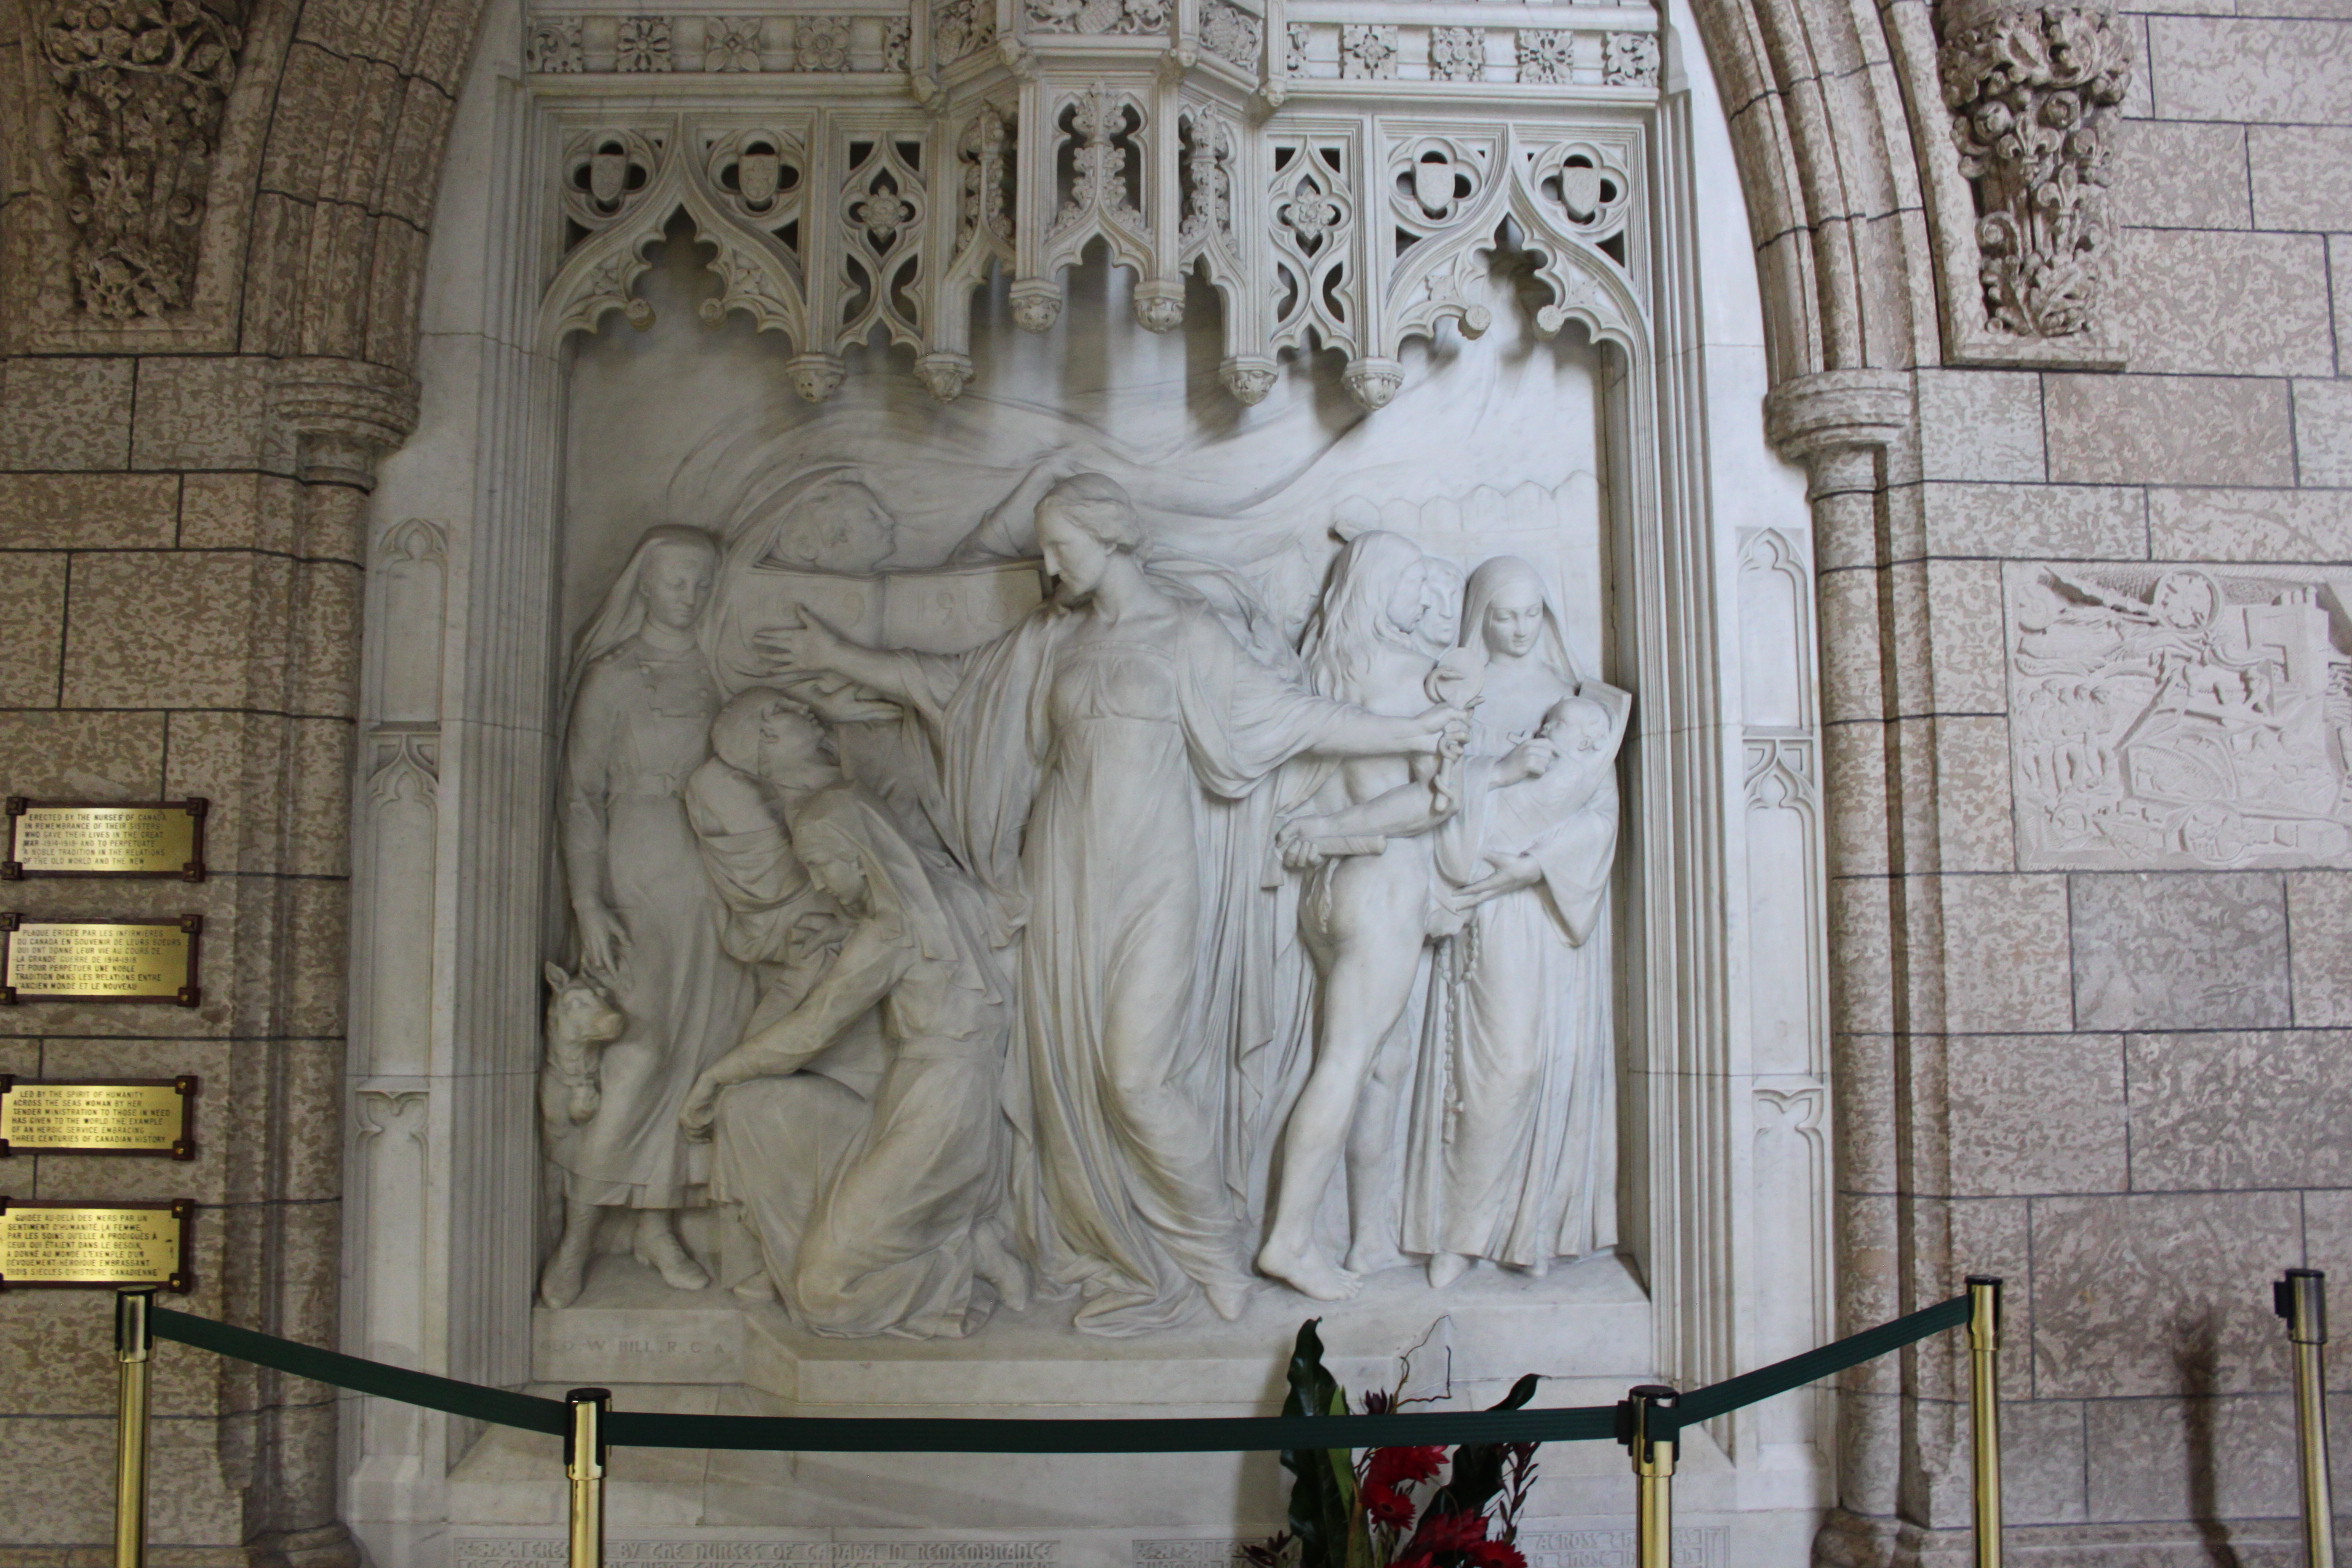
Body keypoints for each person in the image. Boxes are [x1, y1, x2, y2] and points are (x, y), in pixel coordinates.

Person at [759, 472, 1462, 1333]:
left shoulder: (1186, 633)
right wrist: (839, 657)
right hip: (1066, 875)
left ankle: (1214, 1248)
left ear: (1111, 536)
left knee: (1137, 1078)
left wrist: (1410, 731)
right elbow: (953, 688)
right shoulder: (1052, 639)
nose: (1051, 567)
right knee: (1074, 1079)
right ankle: (1113, 1245)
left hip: (1155, 878)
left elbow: (1291, 718)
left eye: (1062, 547)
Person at [680, 784, 1026, 1338]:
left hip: (940, 1121)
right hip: (913, 1100)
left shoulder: (893, 928)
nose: (819, 884)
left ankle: (960, 1262)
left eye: (821, 866)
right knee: (752, 1106)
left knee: (825, 1296)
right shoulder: (950, 895)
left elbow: (811, 1030)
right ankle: (936, 1244)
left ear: (861, 856)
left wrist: (714, 1074)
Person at [542, 526, 757, 1307]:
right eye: (675, 580)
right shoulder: (613, 675)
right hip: (635, 865)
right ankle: (577, 1234)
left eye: (701, 582)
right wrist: (588, 900)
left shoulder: (718, 669)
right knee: (637, 1054)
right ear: (645, 584)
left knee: (698, 1054)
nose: (689, 595)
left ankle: (657, 1226)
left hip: (712, 873)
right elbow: (579, 797)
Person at [1403, 556, 1629, 1288]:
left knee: (1534, 1067)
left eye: (1533, 613)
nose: (1520, 628)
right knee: (1487, 1069)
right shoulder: (1463, 694)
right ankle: (1455, 1233)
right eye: (1504, 615)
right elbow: (1431, 788)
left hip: (1545, 906)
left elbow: (1602, 811)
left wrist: (1535, 867)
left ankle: (1523, 1230)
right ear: (1482, 618)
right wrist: (1495, 778)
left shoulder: (1576, 701)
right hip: (1476, 896)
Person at [1255, 531, 1465, 1301]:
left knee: (1384, 1059)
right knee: (1346, 1060)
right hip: (1382, 882)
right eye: (1412, 579)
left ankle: (1369, 1238)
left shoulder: (1322, 667)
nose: (1424, 594)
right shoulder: (1410, 675)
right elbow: (1430, 802)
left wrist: (1320, 832)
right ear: (1382, 588)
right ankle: (1289, 1239)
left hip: (1328, 893)